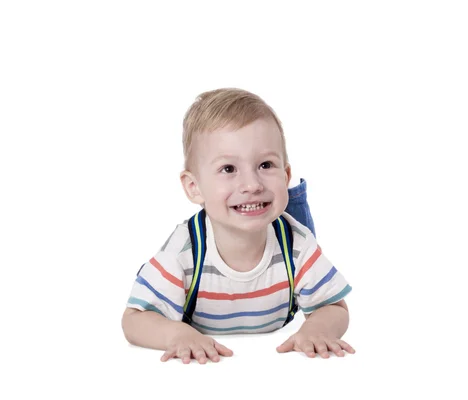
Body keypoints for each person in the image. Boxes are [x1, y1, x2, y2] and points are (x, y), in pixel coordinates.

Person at [121, 88, 354, 364]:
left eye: (266, 164)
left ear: (286, 175)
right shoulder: (183, 251)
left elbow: (334, 306)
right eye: (229, 169)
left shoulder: (296, 243)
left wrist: (317, 329)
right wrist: (176, 335)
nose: (252, 185)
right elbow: (134, 320)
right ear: (195, 188)